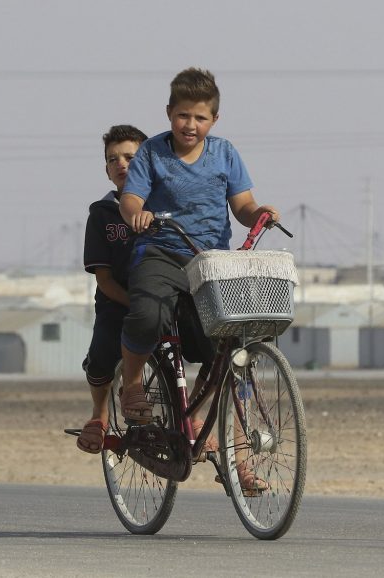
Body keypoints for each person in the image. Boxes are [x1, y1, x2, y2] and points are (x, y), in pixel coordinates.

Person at [117, 67, 278, 490]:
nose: (191, 125)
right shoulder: (152, 153)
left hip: (211, 262)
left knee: (230, 356)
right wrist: (137, 213)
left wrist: (257, 214)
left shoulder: (225, 154)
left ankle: (240, 465)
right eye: (183, 115)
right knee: (149, 314)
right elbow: (131, 196)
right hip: (162, 251)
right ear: (170, 113)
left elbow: (242, 204)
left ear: (214, 121)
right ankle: (132, 385)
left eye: (200, 117)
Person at [76, 124, 148, 454]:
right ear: (107, 171)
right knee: (103, 351)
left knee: (208, 347)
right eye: (112, 159)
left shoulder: (166, 210)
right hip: (117, 301)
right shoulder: (102, 215)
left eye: (131, 157)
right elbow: (103, 279)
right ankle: (99, 415)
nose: (121, 164)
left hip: (162, 299)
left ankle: (193, 420)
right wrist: (134, 302)